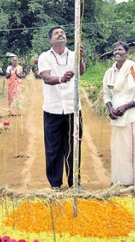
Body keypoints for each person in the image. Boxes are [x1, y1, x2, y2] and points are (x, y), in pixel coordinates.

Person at [38, 26, 85, 191]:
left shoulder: (73, 55)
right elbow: (45, 77)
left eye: (63, 32)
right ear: (50, 40)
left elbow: (81, 71)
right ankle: (55, 184)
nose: (61, 34)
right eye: (56, 33)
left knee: (74, 147)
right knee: (53, 149)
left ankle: (75, 182)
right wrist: (61, 78)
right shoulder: (44, 56)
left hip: (73, 109)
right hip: (53, 110)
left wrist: (80, 59)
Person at [103, 42, 135, 187]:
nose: (117, 51)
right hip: (116, 119)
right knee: (117, 151)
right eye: (115, 49)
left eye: (121, 49)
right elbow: (106, 94)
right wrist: (110, 109)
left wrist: (125, 107)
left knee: (132, 151)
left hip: (130, 117)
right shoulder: (109, 73)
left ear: (127, 54)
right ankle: (117, 182)